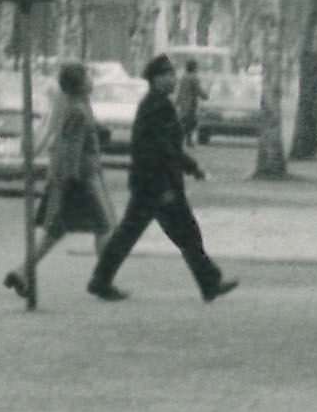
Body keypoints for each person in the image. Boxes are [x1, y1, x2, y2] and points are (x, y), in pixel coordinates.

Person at [85, 53, 233, 303]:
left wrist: (191, 168)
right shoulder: (157, 106)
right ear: (156, 80)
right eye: (168, 75)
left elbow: (168, 147)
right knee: (182, 234)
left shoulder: (156, 103)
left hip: (151, 184)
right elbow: (162, 150)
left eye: (172, 74)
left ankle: (101, 280)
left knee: (148, 234)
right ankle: (209, 283)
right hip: (157, 185)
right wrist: (175, 179)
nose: (173, 79)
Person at [2, 60, 111, 299]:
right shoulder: (77, 110)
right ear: (80, 84)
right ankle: (103, 281)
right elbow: (71, 148)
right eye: (87, 77)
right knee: (103, 227)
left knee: (55, 233)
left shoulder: (75, 105)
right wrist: (72, 182)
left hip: (70, 179)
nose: (91, 81)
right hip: (80, 180)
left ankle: (21, 272)